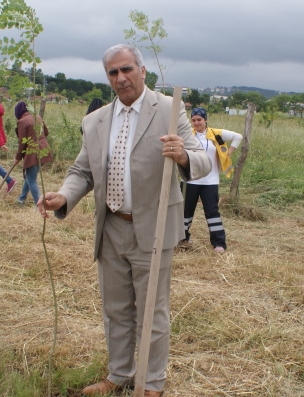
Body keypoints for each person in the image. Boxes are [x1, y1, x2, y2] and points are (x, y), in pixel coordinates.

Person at [39, 44, 211, 396]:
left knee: (152, 312)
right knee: (116, 309)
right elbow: (81, 171)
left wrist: (182, 155)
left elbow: (203, 161)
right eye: (113, 73)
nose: (121, 78)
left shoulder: (169, 109)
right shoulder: (95, 120)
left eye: (127, 69)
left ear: (143, 71)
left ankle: (151, 384)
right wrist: (64, 195)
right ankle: (120, 374)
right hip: (111, 225)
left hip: (154, 226)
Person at [180, 107, 243, 253]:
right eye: (194, 120)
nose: (196, 123)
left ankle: (219, 243)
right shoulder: (189, 135)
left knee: (212, 212)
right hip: (190, 180)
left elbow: (238, 137)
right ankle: (183, 238)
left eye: (199, 120)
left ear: (205, 119)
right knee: (185, 212)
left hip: (210, 181)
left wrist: (228, 154)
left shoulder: (216, 134)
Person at [13, 101, 52, 209]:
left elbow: (22, 142)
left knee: (31, 179)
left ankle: (39, 204)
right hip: (44, 149)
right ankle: (21, 198)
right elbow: (46, 132)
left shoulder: (22, 121)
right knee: (29, 176)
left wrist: (17, 157)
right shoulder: (37, 117)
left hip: (33, 152)